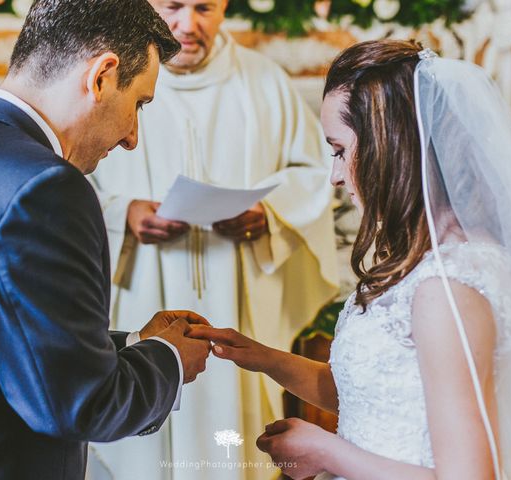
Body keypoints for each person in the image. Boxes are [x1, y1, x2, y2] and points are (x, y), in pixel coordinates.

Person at [189, 39, 511, 479]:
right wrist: (263, 357)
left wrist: (326, 452)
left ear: (388, 147)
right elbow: (381, 394)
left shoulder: (447, 287)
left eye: (339, 150)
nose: (335, 176)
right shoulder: (422, 259)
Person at [0, 1, 214, 478]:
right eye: (138, 104)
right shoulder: (46, 188)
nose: (133, 136)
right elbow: (79, 403)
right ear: (102, 76)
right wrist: (171, 359)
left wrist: (136, 342)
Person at [88, 0, 339, 478]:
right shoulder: (114, 75)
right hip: (141, 288)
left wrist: (270, 214)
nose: (188, 24)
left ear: (224, 8)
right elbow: (67, 178)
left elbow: (315, 173)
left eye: (204, 8)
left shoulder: (264, 82)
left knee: (233, 432)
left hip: (237, 296)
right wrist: (124, 215)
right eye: (173, 7)